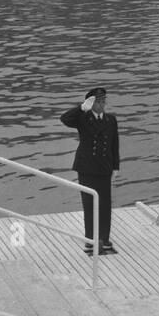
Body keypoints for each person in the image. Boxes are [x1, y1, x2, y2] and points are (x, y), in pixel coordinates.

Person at [60, 86, 120, 255]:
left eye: (103, 101)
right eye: (97, 102)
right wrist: (81, 108)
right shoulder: (83, 118)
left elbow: (114, 145)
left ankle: (104, 239)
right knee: (89, 205)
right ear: (91, 103)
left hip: (105, 167)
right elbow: (64, 119)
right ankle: (90, 240)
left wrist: (116, 166)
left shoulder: (111, 120)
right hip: (86, 167)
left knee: (105, 205)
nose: (101, 105)